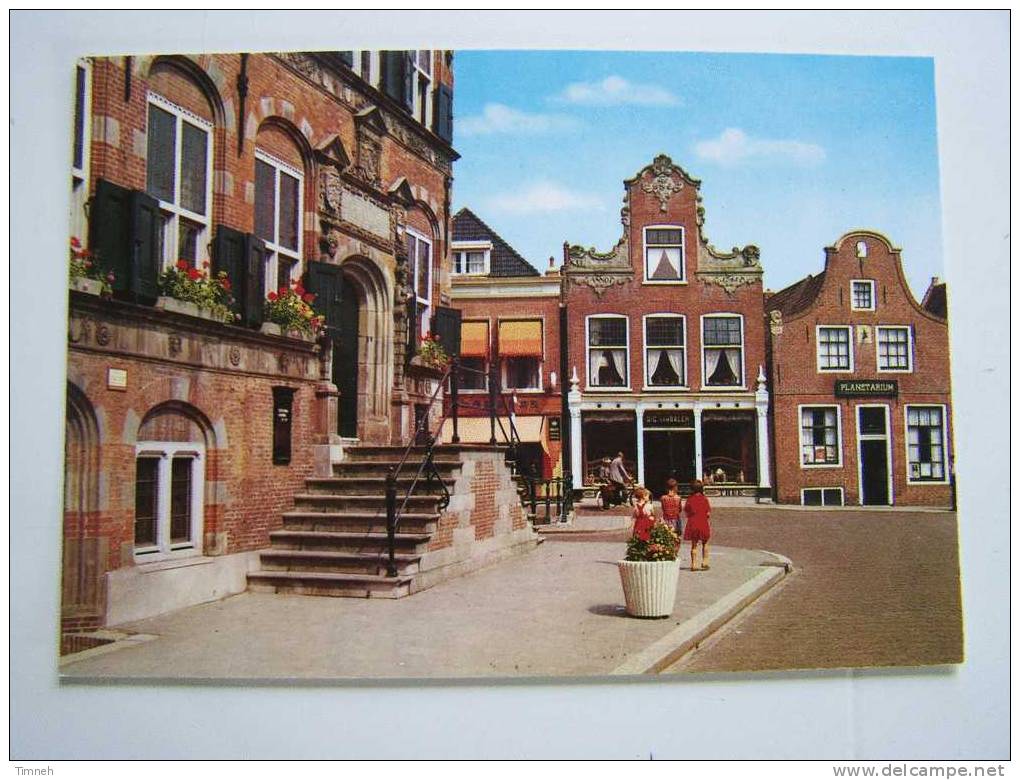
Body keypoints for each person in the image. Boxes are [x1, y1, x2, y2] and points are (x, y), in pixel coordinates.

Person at [683, 479, 712, 571]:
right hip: (703, 522)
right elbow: (708, 513)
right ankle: (705, 562)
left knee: (694, 545)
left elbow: (687, 510)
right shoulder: (705, 499)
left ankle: (694, 564)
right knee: (705, 543)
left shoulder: (690, 499)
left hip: (693, 523)